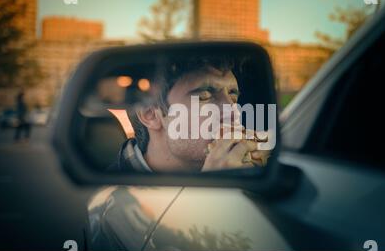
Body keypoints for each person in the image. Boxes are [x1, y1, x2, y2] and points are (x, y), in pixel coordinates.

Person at [109, 58, 269, 173]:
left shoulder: (250, 163)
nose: (234, 112)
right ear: (150, 114)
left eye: (233, 96)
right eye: (205, 95)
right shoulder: (111, 203)